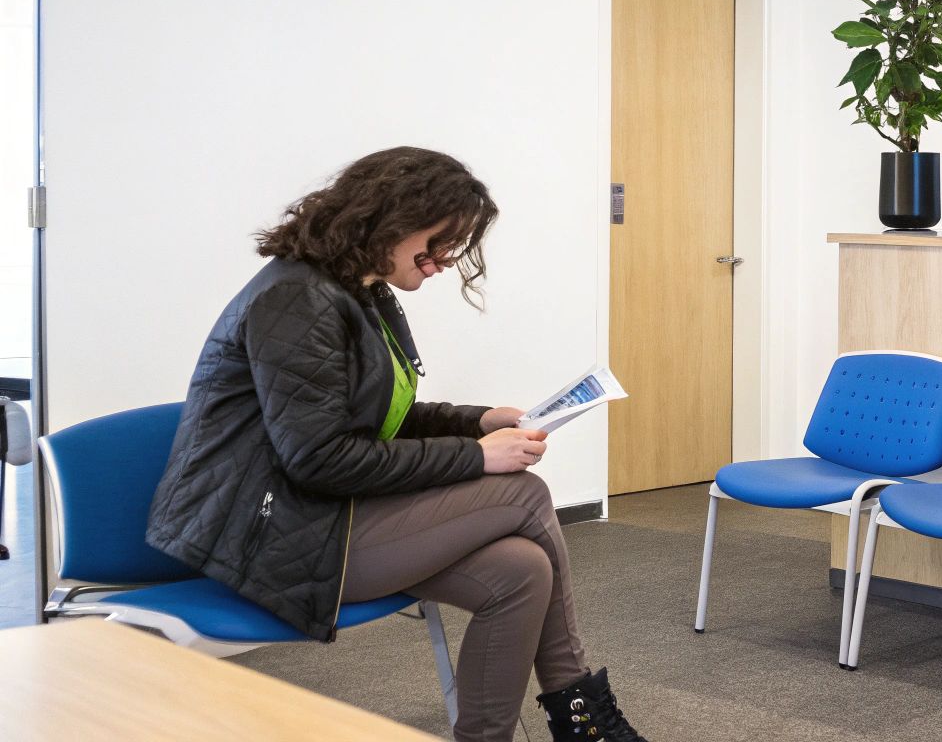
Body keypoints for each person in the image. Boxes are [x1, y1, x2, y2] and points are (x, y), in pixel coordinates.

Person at [146, 147, 645, 742]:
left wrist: (479, 421)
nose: (443, 262)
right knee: (524, 493)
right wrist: (478, 457)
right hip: (271, 536)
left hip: (324, 515)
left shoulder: (362, 293)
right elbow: (320, 458)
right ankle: (578, 711)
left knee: (521, 569)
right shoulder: (295, 300)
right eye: (438, 243)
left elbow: (379, 420)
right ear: (388, 220)